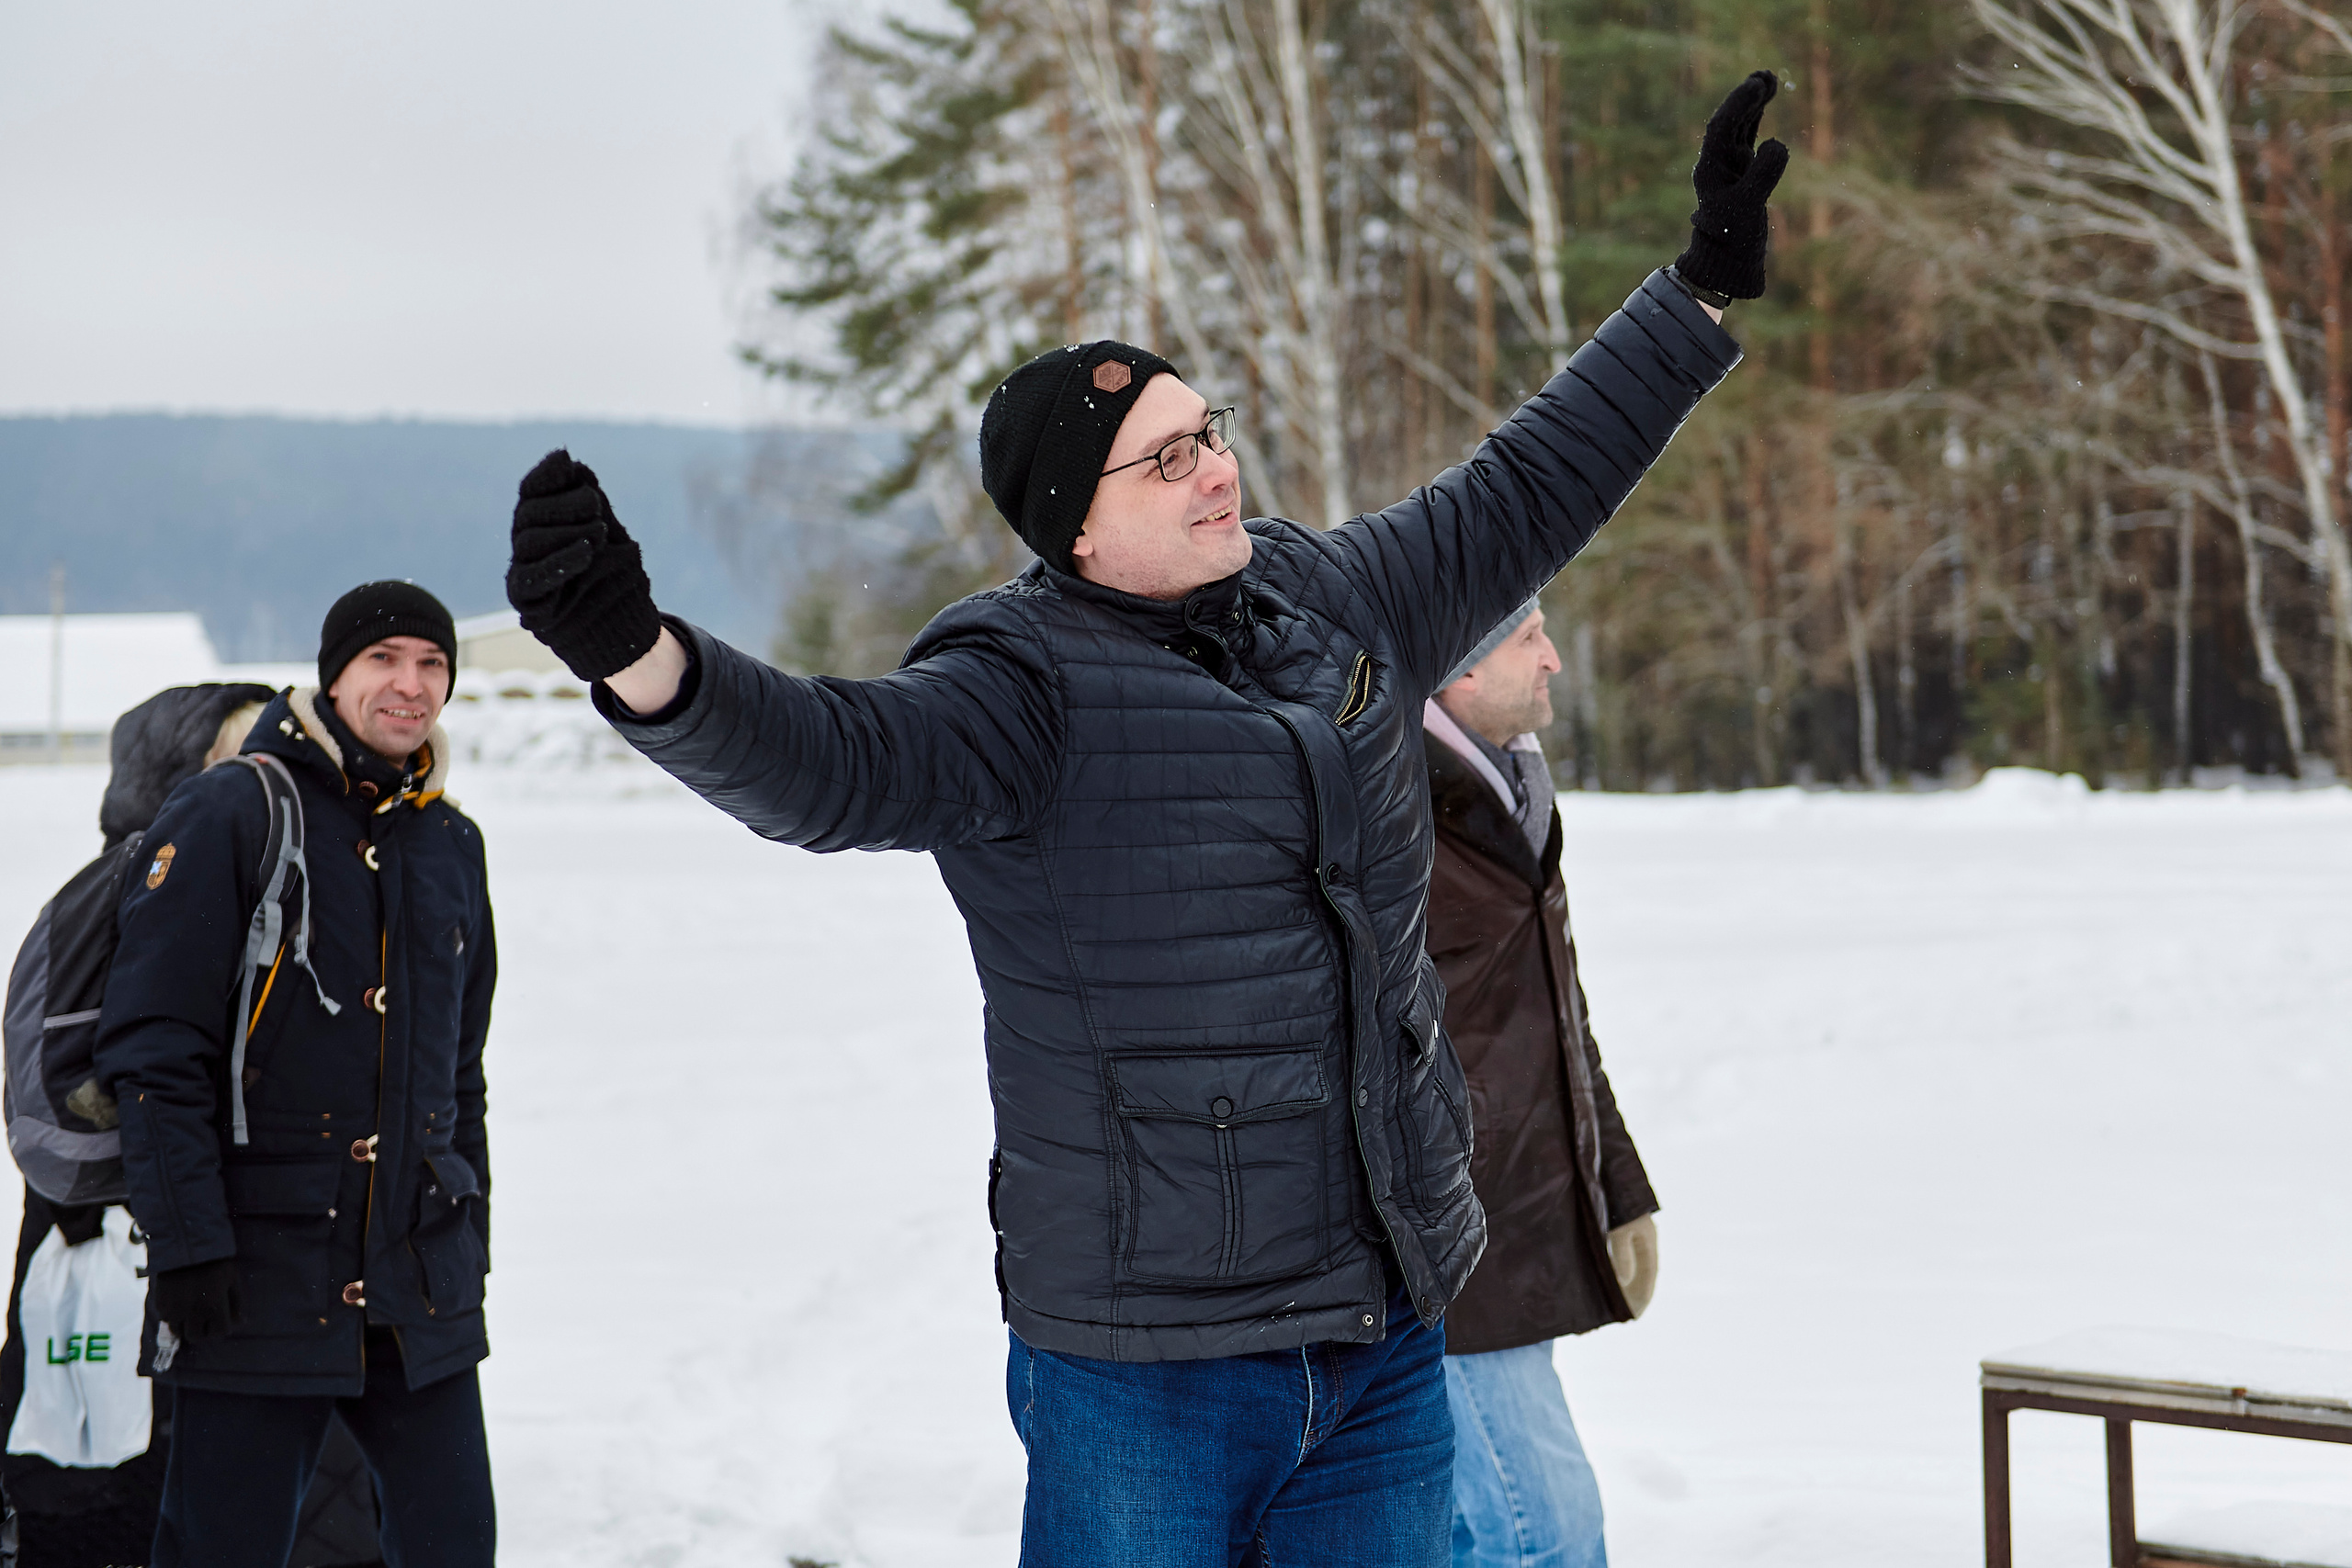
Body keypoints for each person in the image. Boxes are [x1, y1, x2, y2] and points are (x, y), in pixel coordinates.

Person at [506, 72, 1782, 1567]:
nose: (1217, 465)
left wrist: (1691, 298)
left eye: (1210, 428)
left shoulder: (1329, 592)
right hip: (1147, 1360)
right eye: (1167, 456)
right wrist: (638, 657)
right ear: (1078, 523)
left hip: (1381, 1316)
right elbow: (822, 761)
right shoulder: (1018, 684)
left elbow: (1526, 487)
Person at [94, 582, 497, 1568]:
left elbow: (461, 1073)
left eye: (433, 664)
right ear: (333, 673)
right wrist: (188, 1246)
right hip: (253, 1283)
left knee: (456, 1547)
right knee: (222, 1550)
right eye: (384, 660)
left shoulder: (450, 843)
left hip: (418, 1287)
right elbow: (153, 1049)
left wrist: (468, 1237)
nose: (411, 686)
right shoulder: (233, 807)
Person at [1422, 604, 1659, 1568]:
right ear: (1460, 669)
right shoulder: (1392, 807)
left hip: (1517, 1221)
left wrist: (1619, 1186)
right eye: (1529, 637)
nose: (1555, 657)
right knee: (1541, 1535)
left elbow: (1556, 1017)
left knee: (1486, 1531)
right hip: (1446, 1249)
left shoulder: (1509, 787)